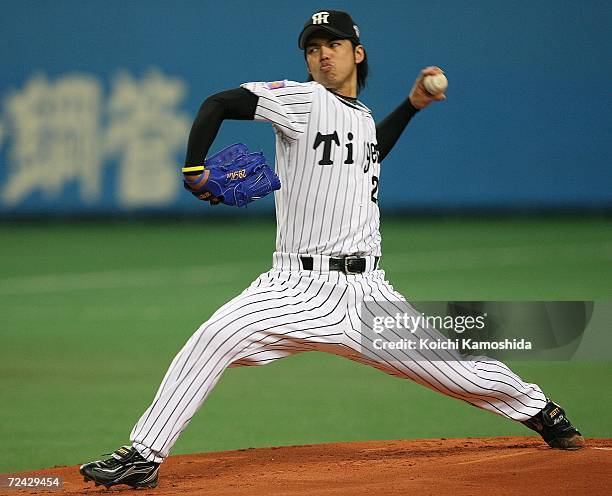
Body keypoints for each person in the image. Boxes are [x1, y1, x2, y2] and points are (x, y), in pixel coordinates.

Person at [79, 9, 584, 490]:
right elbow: (218, 103)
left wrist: (411, 106)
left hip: (367, 293)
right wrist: (193, 168)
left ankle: (541, 410)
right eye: (313, 48)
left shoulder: (360, 116)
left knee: (455, 369)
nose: (322, 55)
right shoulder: (302, 101)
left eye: (333, 45)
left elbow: (370, 148)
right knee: (216, 335)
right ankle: (144, 456)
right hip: (295, 287)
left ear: (357, 54)